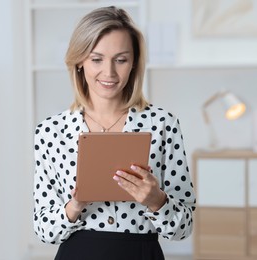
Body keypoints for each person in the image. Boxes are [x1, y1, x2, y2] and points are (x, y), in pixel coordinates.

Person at [33, 6, 196, 260]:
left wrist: (157, 201)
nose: (108, 73)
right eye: (96, 59)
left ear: (133, 63)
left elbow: (184, 227)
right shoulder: (51, 132)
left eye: (120, 59)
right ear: (79, 62)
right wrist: (75, 205)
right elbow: (44, 231)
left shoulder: (162, 124)